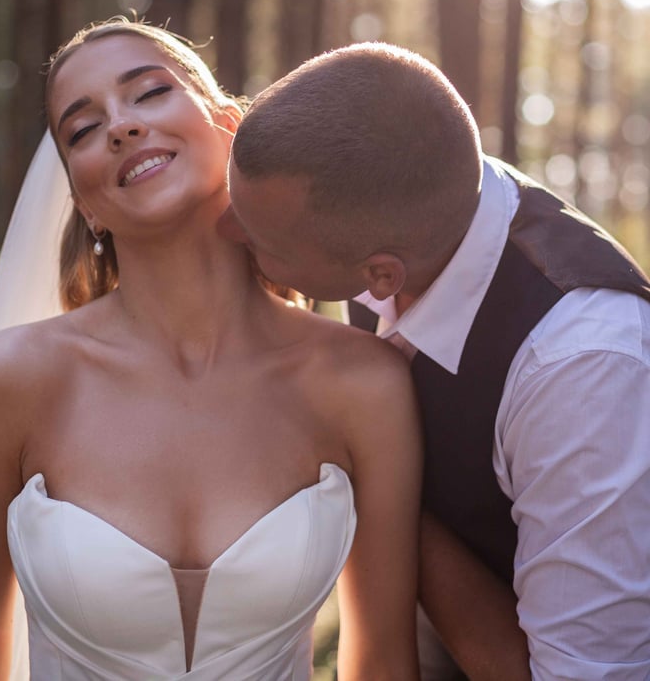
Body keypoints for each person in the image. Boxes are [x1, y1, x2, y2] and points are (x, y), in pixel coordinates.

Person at [0, 20, 424, 681]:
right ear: (84, 203)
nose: (119, 126)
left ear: (228, 125)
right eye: (82, 129)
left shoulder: (362, 381)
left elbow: (384, 663)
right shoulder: (8, 385)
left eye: (148, 93)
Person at [222, 42, 650, 680]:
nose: (227, 229)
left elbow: (585, 673)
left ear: (381, 274)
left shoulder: (581, 365)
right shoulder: (404, 194)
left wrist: (374, 471)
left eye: (259, 240)